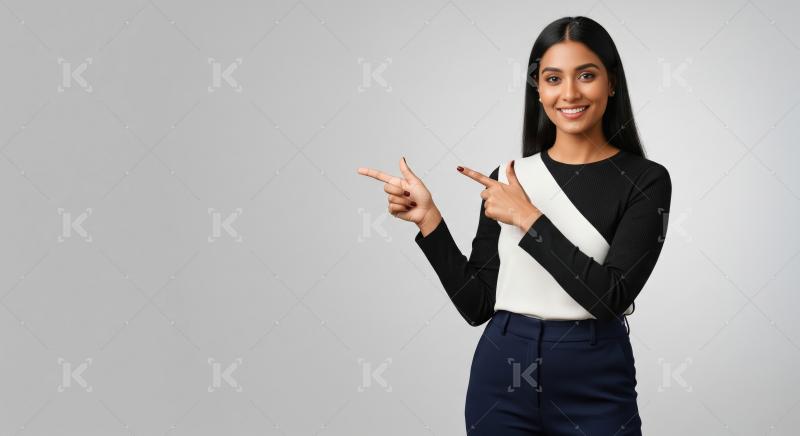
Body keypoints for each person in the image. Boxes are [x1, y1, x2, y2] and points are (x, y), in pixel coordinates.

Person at [357, 15, 671, 436]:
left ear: (611, 83)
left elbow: (609, 298)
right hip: (502, 371)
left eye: (587, 75)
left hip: (594, 374)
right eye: (553, 78)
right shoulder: (507, 178)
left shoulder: (646, 181)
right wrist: (429, 220)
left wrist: (528, 218)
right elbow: (477, 306)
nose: (570, 92)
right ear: (538, 90)